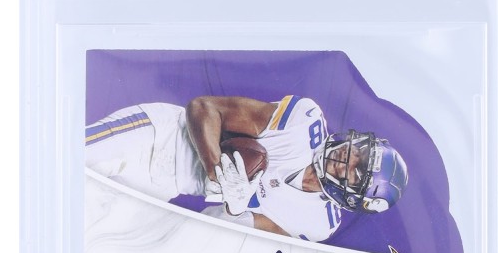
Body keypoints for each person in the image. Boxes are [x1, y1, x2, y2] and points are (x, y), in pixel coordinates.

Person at [85, 95, 408, 242]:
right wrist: (215, 170)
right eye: (359, 152)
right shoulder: (304, 121)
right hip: (160, 135)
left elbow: (218, 229)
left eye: (356, 172)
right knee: (74, 157)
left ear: (352, 198)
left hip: (163, 187)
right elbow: (204, 108)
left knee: (85, 223)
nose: (349, 158)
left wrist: (236, 209)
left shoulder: (318, 223)